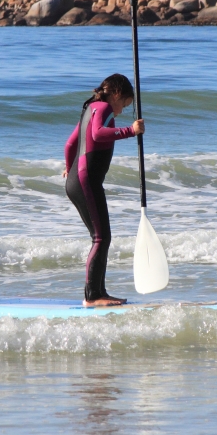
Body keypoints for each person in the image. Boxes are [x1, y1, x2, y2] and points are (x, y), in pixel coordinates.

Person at [63, 74, 145, 307]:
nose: (120, 111)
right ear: (117, 94)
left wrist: (69, 170)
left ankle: (98, 292)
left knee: (100, 238)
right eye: (124, 105)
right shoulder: (105, 108)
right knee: (101, 238)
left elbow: (70, 144)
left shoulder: (90, 109)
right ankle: (93, 296)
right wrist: (131, 131)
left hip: (77, 180)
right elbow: (98, 134)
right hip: (86, 180)